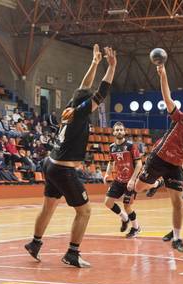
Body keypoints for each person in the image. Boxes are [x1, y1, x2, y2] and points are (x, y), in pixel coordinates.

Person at [24, 44, 116, 268]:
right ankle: (72, 253)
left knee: (48, 206)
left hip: (50, 163)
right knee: (84, 211)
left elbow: (84, 86)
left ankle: (35, 243)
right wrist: (111, 66)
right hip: (64, 169)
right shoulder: (81, 111)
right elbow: (101, 92)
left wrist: (94, 63)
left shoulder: (71, 105)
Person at [135, 64, 183, 252]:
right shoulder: (181, 118)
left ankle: (177, 238)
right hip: (158, 159)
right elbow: (167, 97)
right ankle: (155, 183)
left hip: (174, 167)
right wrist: (163, 74)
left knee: (178, 203)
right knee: (138, 188)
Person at [104, 122, 143, 238]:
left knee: (127, 205)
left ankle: (136, 228)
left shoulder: (131, 146)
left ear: (124, 131)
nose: (119, 131)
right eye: (117, 130)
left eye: (121, 129)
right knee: (108, 202)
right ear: (113, 132)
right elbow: (111, 163)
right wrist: (107, 174)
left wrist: (132, 180)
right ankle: (124, 218)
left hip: (130, 181)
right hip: (119, 179)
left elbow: (139, 164)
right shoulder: (112, 147)